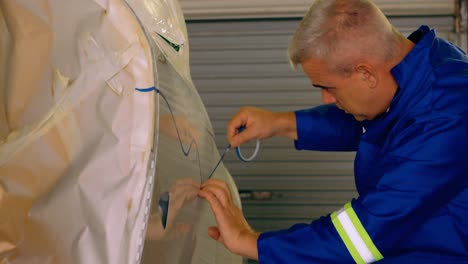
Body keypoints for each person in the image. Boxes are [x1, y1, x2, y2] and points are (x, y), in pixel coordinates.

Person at [197, 0, 468, 263]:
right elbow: (380, 121)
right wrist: (281, 123)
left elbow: (365, 233)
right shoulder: (422, 67)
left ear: (366, 74)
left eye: (329, 87)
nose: (327, 99)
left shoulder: (448, 113)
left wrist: (249, 241)